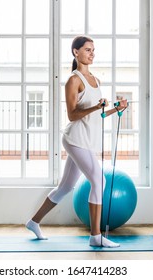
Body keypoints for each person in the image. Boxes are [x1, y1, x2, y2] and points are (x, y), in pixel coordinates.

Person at [26, 35, 127, 247]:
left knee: (65, 187)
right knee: (99, 181)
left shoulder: (95, 80)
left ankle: (33, 222)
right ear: (76, 52)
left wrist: (116, 109)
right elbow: (72, 115)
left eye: (93, 50)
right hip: (75, 139)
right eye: (88, 50)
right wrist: (95, 107)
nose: (92, 53)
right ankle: (95, 236)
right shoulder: (74, 80)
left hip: (86, 140)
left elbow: (96, 114)